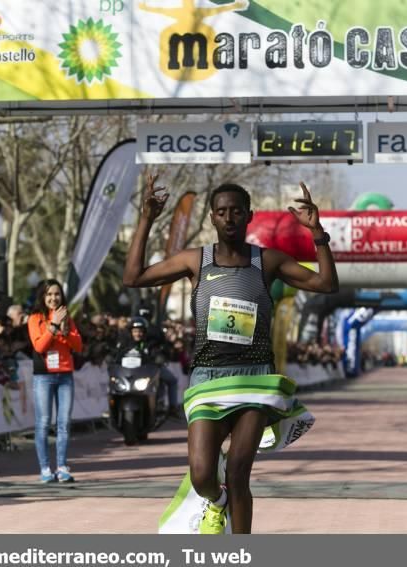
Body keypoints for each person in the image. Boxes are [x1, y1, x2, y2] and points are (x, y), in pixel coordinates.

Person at [123, 174, 338, 533]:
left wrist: (317, 233)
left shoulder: (266, 261)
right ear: (211, 218)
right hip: (207, 378)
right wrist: (146, 219)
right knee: (203, 474)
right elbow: (133, 277)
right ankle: (217, 503)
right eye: (221, 211)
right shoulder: (196, 261)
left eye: (236, 211)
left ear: (249, 216)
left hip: (254, 379)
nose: (229, 218)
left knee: (238, 473)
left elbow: (326, 284)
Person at [27, 279, 83, 483]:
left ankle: (62, 467)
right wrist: (53, 326)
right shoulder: (35, 318)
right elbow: (39, 347)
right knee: (42, 423)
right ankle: (44, 469)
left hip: (65, 375)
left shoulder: (68, 317)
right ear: (42, 297)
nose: (53, 298)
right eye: (49, 294)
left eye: (57, 294)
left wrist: (65, 331)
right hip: (44, 376)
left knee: (64, 423)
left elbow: (78, 346)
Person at [114, 316, 181, 417]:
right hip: (128, 373)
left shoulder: (151, 343)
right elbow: (117, 356)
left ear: (145, 332)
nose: (138, 334)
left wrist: (159, 357)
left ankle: (172, 408)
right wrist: (111, 358)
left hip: (148, 372)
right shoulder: (125, 344)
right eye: (135, 331)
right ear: (131, 332)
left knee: (172, 380)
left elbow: (159, 352)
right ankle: (112, 409)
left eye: (140, 331)